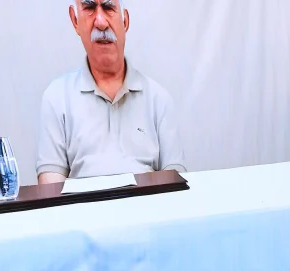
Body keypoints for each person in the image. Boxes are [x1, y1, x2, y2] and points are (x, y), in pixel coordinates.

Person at [36, 0, 185, 184]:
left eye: (108, 7)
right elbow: (51, 187)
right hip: (83, 204)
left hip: (148, 203)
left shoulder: (159, 100)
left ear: (125, 21)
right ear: (75, 21)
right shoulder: (56, 98)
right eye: (89, 8)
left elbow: (175, 182)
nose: (101, 22)